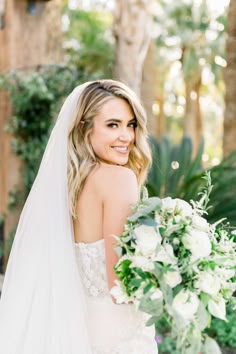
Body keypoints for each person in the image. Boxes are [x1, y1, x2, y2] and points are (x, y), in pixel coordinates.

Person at [0, 80, 158, 354]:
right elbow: (121, 285)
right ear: (85, 129)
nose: (126, 136)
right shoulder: (119, 180)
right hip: (120, 336)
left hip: (79, 329)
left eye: (130, 124)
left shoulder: (68, 188)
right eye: (112, 125)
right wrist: (174, 273)